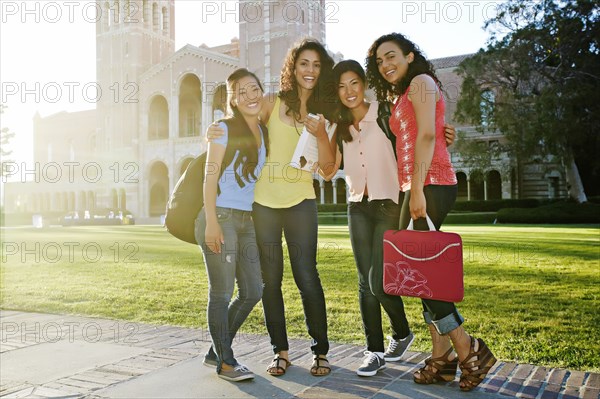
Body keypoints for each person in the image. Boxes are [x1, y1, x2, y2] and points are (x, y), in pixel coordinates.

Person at [366, 33, 497, 391]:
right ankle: (442, 358)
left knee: (419, 272)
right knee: (419, 272)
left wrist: (420, 187)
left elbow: (425, 137)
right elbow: (422, 133)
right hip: (416, 185)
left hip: (431, 183)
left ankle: (467, 348)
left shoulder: (422, 82)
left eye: (391, 56)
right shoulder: (404, 93)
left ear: (410, 56)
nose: (385, 65)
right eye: (379, 61)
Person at [206, 38, 336, 377]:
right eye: (303, 63)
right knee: (270, 282)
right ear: (293, 67)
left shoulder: (326, 113)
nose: (310, 70)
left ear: (322, 71)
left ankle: (320, 352)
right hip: (262, 206)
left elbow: (328, 169)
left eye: (316, 65)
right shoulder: (272, 102)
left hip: (301, 204)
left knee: (307, 277)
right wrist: (217, 126)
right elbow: (241, 112)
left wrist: (321, 134)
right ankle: (281, 351)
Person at [324, 60, 455, 377]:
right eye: (341, 86)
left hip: (390, 203)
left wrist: (442, 135)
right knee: (364, 283)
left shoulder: (385, 113)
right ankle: (375, 350)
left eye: (354, 82)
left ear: (363, 84)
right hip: (357, 205)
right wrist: (319, 135)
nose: (349, 91)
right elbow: (328, 170)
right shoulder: (338, 126)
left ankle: (402, 331)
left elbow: (413, 143)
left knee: (379, 280)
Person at [195, 68, 268, 382]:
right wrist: (212, 221)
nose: (250, 96)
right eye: (242, 92)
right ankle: (225, 361)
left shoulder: (264, 132)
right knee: (222, 293)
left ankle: (216, 348)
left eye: (254, 89)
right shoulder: (223, 130)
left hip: (247, 221)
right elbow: (210, 177)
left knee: (253, 290)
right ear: (233, 100)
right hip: (220, 217)